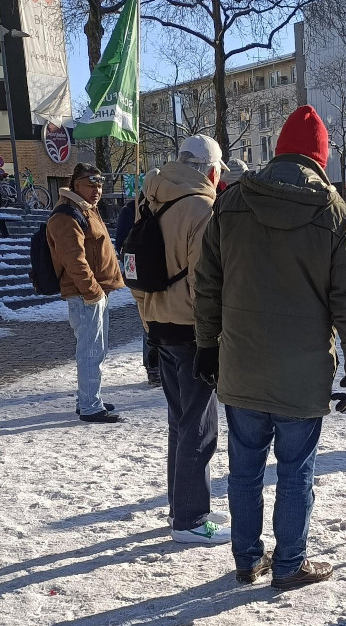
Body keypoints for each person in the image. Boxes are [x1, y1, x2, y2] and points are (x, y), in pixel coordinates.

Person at [193, 105, 346, 590]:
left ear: (278, 152)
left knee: (245, 469)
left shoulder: (230, 204)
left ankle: (248, 560)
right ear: (321, 158)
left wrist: (206, 346)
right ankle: (289, 564)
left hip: (242, 365)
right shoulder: (335, 214)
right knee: (296, 473)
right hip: (303, 372)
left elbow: (206, 283)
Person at [131, 135, 231, 547]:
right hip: (192, 332)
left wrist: (149, 319)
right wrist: (213, 335)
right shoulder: (202, 208)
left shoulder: (148, 198)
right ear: (210, 169)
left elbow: (134, 268)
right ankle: (190, 518)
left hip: (158, 326)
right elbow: (203, 283)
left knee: (180, 422)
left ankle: (181, 504)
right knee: (200, 427)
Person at [47, 162, 125, 423]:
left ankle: (89, 398)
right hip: (85, 294)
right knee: (90, 351)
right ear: (76, 184)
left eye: (100, 184)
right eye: (91, 184)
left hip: (94, 291)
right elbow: (74, 260)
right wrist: (92, 291)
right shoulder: (67, 214)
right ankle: (90, 406)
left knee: (96, 350)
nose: (97, 190)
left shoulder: (84, 209)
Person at [116, 196, 160, 386]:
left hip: (160, 272)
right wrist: (132, 274)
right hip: (141, 274)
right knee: (147, 321)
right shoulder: (130, 210)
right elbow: (122, 246)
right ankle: (153, 366)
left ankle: (158, 366)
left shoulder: (165, 207)